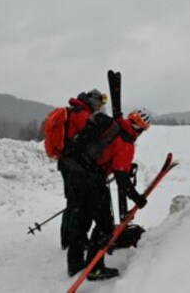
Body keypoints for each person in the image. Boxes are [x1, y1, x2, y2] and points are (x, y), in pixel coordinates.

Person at [62, 108, 151, 281]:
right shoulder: (126, 143)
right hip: (93, 181)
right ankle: (95, 268)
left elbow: (108, 156)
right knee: (104, 225)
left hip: (76, 174)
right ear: (139, 129)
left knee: (82, 219)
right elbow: (122, 180)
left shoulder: (114, 126)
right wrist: (138, 199)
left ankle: (75, 263)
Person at [58, 89, 107, 250]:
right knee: (75, 203)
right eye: (100, 102)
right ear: (93, 101)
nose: (100, 106)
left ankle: (69, 238)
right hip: (72, 164)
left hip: (67, 162)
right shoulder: (82, 115)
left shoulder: (77, 111)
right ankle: (71, 240)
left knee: (72, 202)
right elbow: (84, 142)